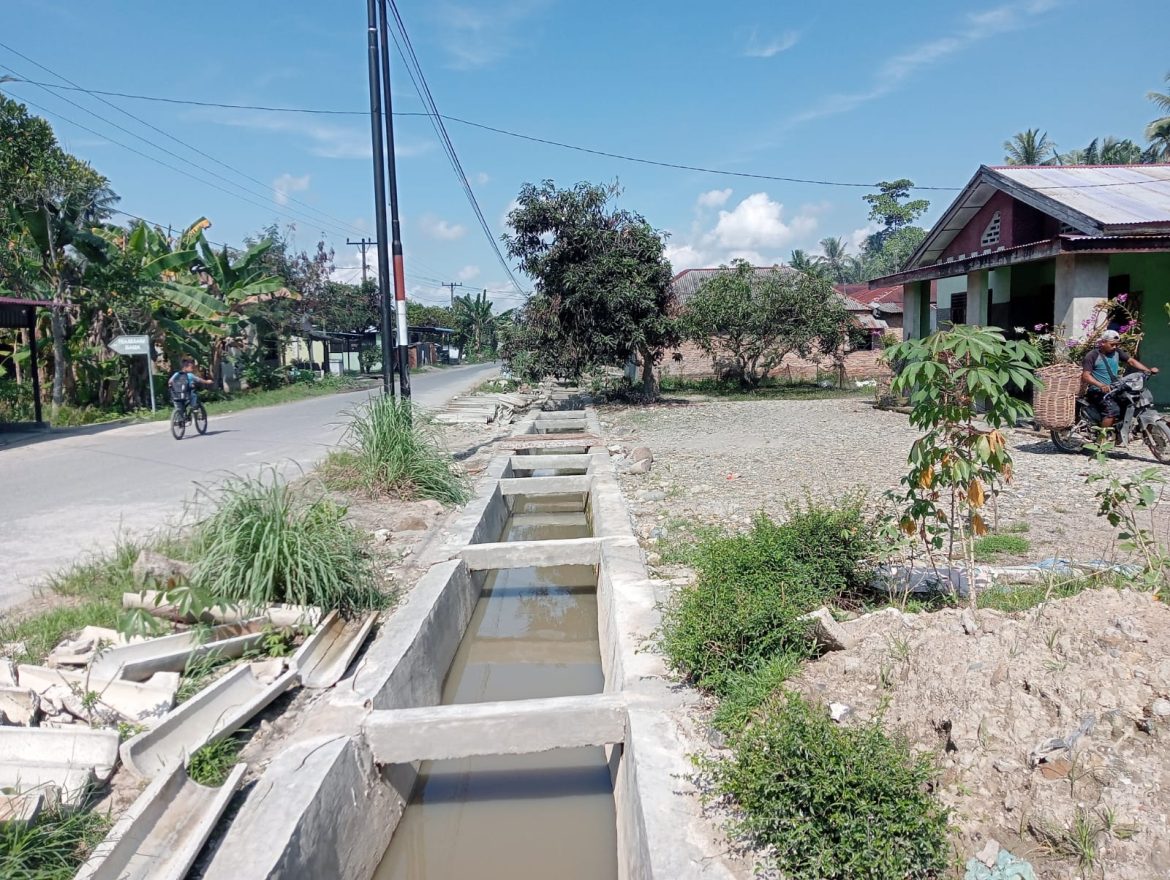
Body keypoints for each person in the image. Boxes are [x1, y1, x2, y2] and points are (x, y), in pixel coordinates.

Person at [1081, 330, 1158, 440]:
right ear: (1103, 342)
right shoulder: (1092, 355)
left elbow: (1131, 361)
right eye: (1112, 344)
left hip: (1114, 388)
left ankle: (1122, 431)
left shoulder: (1117, 352)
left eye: (1117, 344)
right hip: (1097, 391)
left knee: (1132, 401)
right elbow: (1086, 376)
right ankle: (1101, 442)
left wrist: (1148, 370)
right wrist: (1100, 385)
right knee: (1112, 411)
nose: (1115, 347)